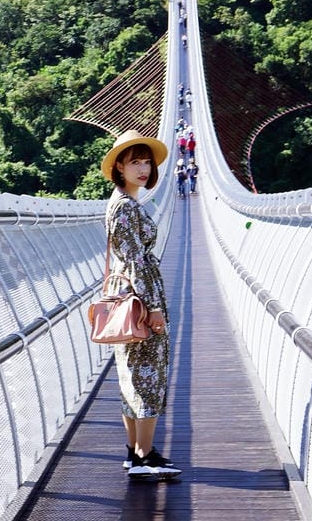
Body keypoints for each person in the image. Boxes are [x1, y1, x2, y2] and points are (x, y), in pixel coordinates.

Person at [101, 130, 182, 481]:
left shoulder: (124, 201)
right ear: (119, 165)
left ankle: (134, 453)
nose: (144, 168)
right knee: (148, 378)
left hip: (128, 298)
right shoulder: (125, 206)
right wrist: (154, 308)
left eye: (147, 161)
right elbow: (134, 260)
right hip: (139, 300)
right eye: (135, 161)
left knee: (131, 377)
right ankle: (146, 456)